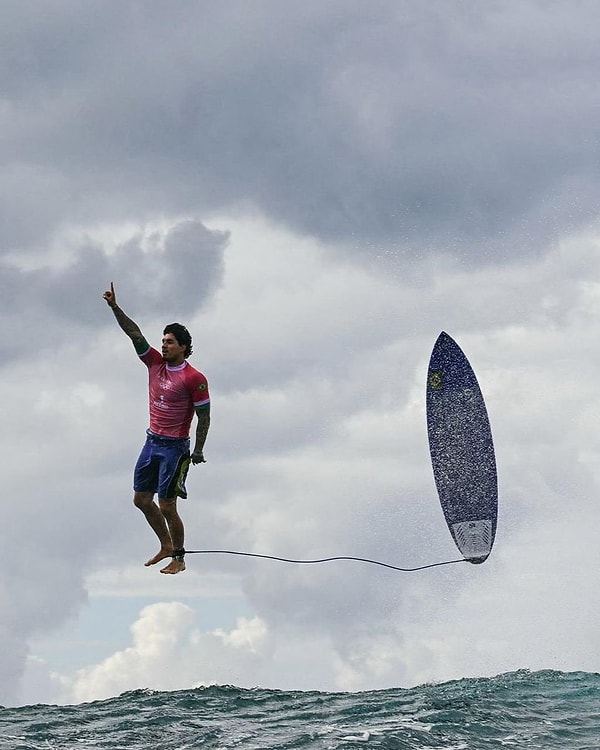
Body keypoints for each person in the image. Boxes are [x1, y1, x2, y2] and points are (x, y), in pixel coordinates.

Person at [102, 281, 210, 575]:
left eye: (170, 342)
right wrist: (114, 307)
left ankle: (179, 557)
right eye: (163, 341)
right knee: (141, 500)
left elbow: (204, 416)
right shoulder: (154, 363)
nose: (163, 345)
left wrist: (198, 450)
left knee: (167, 505)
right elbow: (134, 333)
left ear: (184, 347)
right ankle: (165, 545)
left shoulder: (193, 377)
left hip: (175, 448)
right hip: (152, 441)